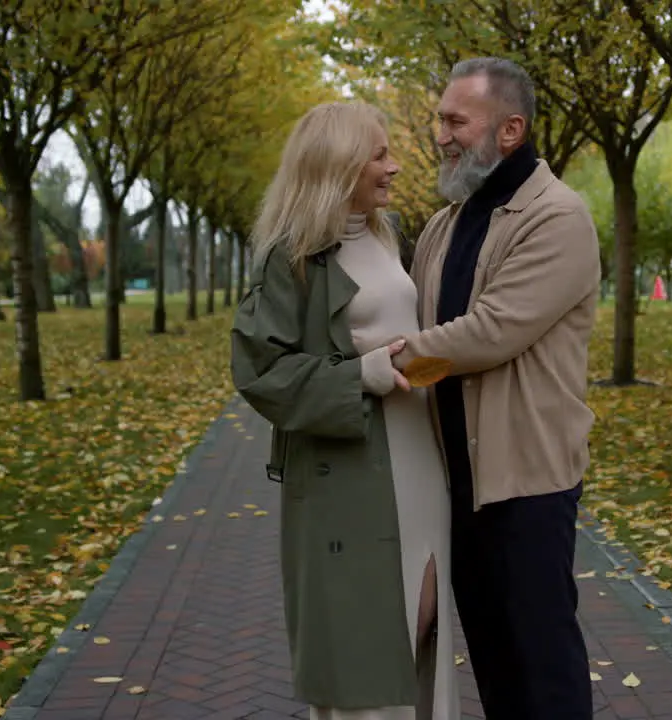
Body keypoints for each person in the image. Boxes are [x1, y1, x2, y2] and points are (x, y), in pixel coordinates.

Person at [389, 57, 602, 720]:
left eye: (457, 120)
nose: (441, 135)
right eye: (440, 119)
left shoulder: (558, 217)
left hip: (525, 485)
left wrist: (386, 361)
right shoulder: (444, 224)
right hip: (457, 482)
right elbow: (415, 314)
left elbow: (491, 332)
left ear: (510, 130)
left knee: (543, 670)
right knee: (494, 665)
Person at [230, 101, 457, 720]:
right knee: (364, 644)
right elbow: (259, 372)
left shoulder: (385, 237)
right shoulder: (292, 255)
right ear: (338, 165)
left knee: (424, 617)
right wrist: (362, 375)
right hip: (350, 473)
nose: (395, 165)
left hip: (420, 460)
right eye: (379, 154)